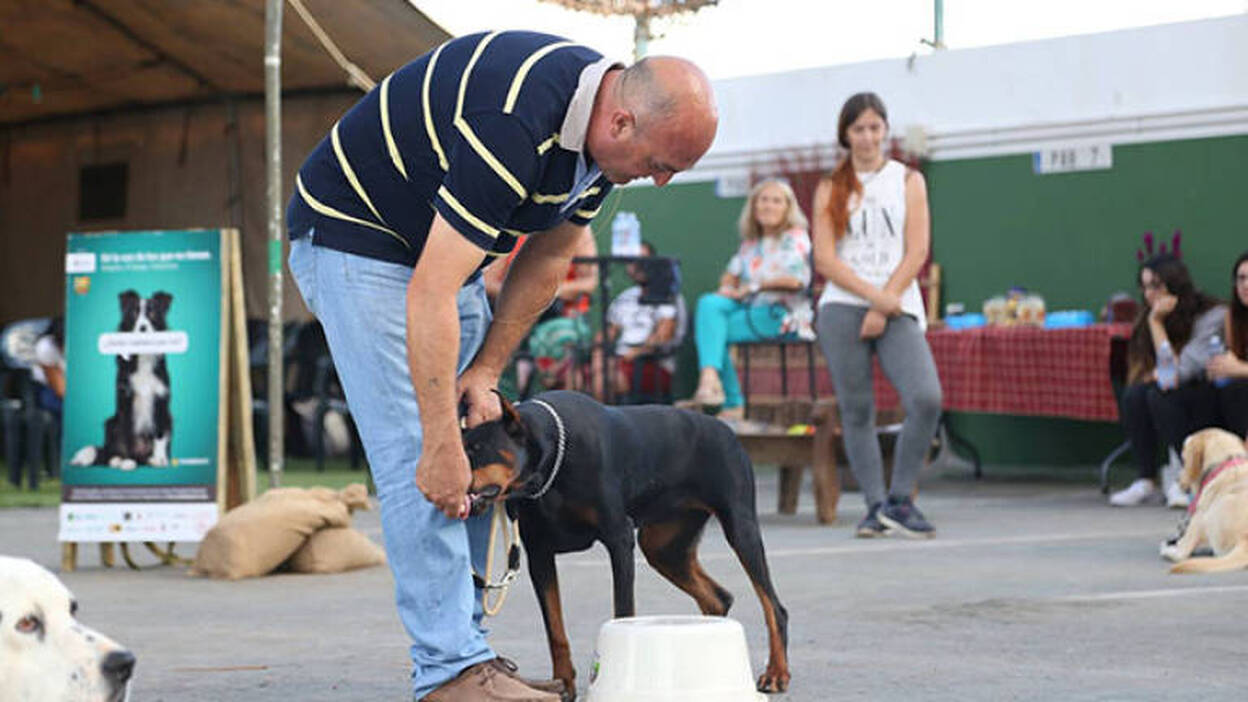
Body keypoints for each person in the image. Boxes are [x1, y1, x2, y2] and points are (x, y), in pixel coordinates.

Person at [284, 30, 716, 701]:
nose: (658, 180)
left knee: (478, 445)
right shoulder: (516, 120)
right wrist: (436, 442)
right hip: (357, 238)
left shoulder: (601, 149)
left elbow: (546, 262)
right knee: (420, 460)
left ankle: (468, 655)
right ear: (622, 119)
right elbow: (430, 288)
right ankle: (452, 672)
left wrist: (484, 373)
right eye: (659, 164)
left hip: (438, 256)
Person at [811, 92, 943, 539]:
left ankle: (901, 500)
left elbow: (918, 250)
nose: (868, 136)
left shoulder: (908, 180)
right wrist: (873, 299)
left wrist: (886, 302)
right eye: (858, 129)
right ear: (845, 135)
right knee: (857, 410)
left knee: (926, 398)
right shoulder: (831, 186)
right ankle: (874, 505)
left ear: (886, 129)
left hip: (897, 303)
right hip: (842, 307)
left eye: (874, 127)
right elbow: (826, 259)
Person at [686, 179, 812, 419]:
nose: (768, 206)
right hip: (751, 311)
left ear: (788, 207)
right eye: (763, 200)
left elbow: (796, 281)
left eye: (776, 201)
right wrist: (727, 287)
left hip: (784, 315)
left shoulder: (795, 237)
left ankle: (727, 397)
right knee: (709, 303)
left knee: (715, 330)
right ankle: (711, 378)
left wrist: (753, 287)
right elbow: (730, 275)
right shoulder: (750, 244)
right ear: (754, 207)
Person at [1111, 253, 1225, 507]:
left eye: (1156, 286)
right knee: (1135, 395)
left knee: (1159, 395)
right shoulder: (1151, 315)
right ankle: (1146, 480)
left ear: (1175, 284)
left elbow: (1175, 375)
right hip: (1174, 392)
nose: (1149, 294)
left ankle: (1187, 480)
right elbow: (1150, 373)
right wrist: (1153, 321)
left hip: (1209, 396)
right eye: (1145, 287)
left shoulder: (1211, 315)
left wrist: (1155, 322)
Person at [588, 240, 685, 400]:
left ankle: (603, 424)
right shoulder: (626, 297)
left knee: (604, 380)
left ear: (654, 262)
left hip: (652, 366)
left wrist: (636, 351)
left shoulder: (668, 295)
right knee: (576, 376)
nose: (638, 266)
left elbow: (663, 336)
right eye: (633, 261)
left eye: (643, 260)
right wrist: (598, 359)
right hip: (618, 363)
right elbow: (606, 335)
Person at [1207, 250, 1248, 437]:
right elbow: (1233, 357)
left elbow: (1237, 367)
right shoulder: (1232, 316)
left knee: (1236, 391)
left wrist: (1238, 368)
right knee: (1201, 393)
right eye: (1241, 278)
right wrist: (1219, 368)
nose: (1246, 285)